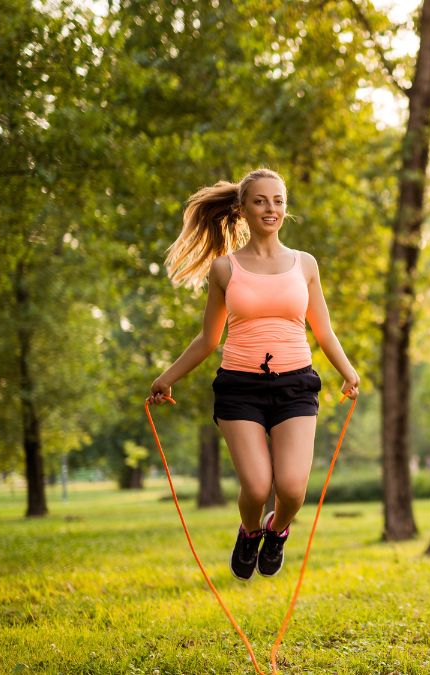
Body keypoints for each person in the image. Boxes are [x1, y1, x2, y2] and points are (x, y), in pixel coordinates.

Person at [148, 168, 360, 582]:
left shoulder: (306, 264)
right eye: (261, 201)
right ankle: (249, 532)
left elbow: (324, 330)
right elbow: (208, 338)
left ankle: (276, 530)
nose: (271, 208)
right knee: (258, 486)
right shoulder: (225, 269)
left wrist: (348, 371)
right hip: (239, 388)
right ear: (243, 209)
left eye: (278, 200)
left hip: (296, 382)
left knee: (293, 489)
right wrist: (167, 377)